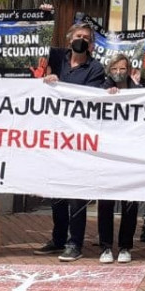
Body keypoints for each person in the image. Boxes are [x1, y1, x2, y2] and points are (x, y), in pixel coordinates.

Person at [37, 21, 108, 262]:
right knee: (56, 193)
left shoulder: (96, 68)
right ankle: (58, 239)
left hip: (79, 139)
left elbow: (88, 98)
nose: (82, 40)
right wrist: (44, 18)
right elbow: (33, 46)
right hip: (56, 137)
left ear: (92, 44)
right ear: (69, 38)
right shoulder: (56, 58)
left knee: (76, 194)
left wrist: (60, 88)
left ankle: (74, 243)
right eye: (79, 35)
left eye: (87, 38)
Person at [98, 54, 142, 263]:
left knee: (130, 204)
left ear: (129, 69)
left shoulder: (139, 93)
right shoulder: (103, 90)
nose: (118, 72)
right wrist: (107, 96)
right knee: (105, 203)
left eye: (122, 68)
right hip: (108, 156)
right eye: (114, 69)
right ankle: (106, 247)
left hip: (131, 156)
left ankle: (125, 246)